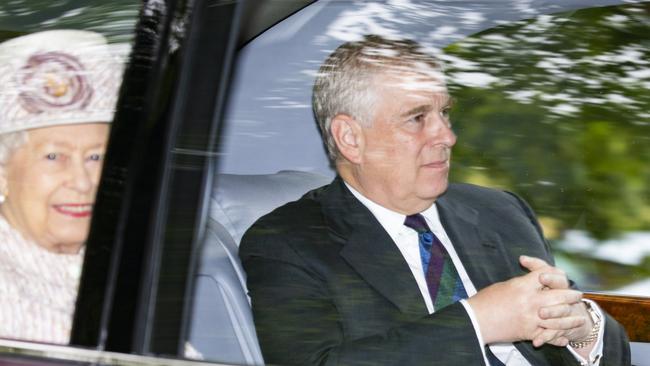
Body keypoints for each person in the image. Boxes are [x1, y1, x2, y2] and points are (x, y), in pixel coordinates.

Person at [239, 35, 630, 365]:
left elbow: (601, 343)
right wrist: (478, 321)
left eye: (444, 113)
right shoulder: (289, 243)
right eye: (417, 118)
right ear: (350, 138)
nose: (447, 136)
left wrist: (584, 328)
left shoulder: (500, 211)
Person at [0, 30, 123, 343]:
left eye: (96, 156)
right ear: (2, 171)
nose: (83, 182)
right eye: (54, 156)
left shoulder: (120, 256)